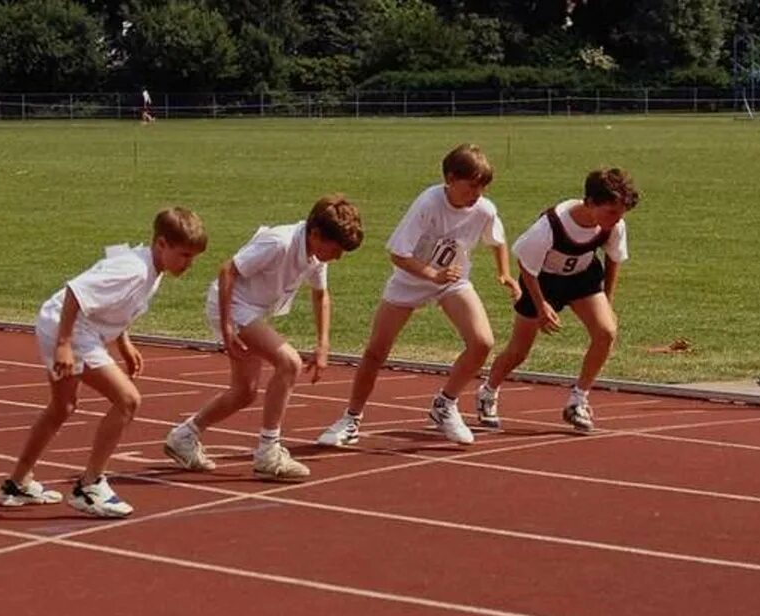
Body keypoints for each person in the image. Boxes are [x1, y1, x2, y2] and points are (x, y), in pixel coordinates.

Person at [0, 208, 207, 517]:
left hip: (72, 327)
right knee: (127, 400)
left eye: (194, 258)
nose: (189, 264)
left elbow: (117, 302)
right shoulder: (133, 270)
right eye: (184, 255)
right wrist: (64, 344)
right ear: (161, 244)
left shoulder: (150, 266)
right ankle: (89, 485)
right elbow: (76, 291)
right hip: (68, 328)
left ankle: (17, 483)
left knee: (62, 407)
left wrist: (124, 342)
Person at [317, 144, 519, 448]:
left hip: (452, 281)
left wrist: (504, 273)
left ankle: (445, 404)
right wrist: (430, 275)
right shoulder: (428, 202)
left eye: (484, 186)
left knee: (482, 343)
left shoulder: (485, 210)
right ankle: (351, 419)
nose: (478, 193)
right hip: (411, 279)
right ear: (451, 178)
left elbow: (497, 240)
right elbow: (398, 254)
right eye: (472, 185)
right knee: (376, 352)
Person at [164, 195, 364, 480]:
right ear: (316, 234)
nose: (339, 256)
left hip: (252, 310)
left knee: (245, 392)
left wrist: (323, 345)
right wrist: (227, 326)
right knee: (289, 363)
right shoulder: (278, 242)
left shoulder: (315, 254)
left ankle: (183, 437)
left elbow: (320, 295)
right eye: (337, 248)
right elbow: (227, 271)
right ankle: (268, 452)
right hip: (233, 305)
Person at [475, 168, 639, 431]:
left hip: (582, 277)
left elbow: (614, 259)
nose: (617, 218)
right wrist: (541, 305)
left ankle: (578, 400)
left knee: (606, 331)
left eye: (621, 213)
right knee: (518, 352)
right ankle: (488, 391)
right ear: (590, 202)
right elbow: (527, 266)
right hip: (542, 280)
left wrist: (607, 301)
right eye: (611, 211)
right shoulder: (551, 225)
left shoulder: (614, 225)